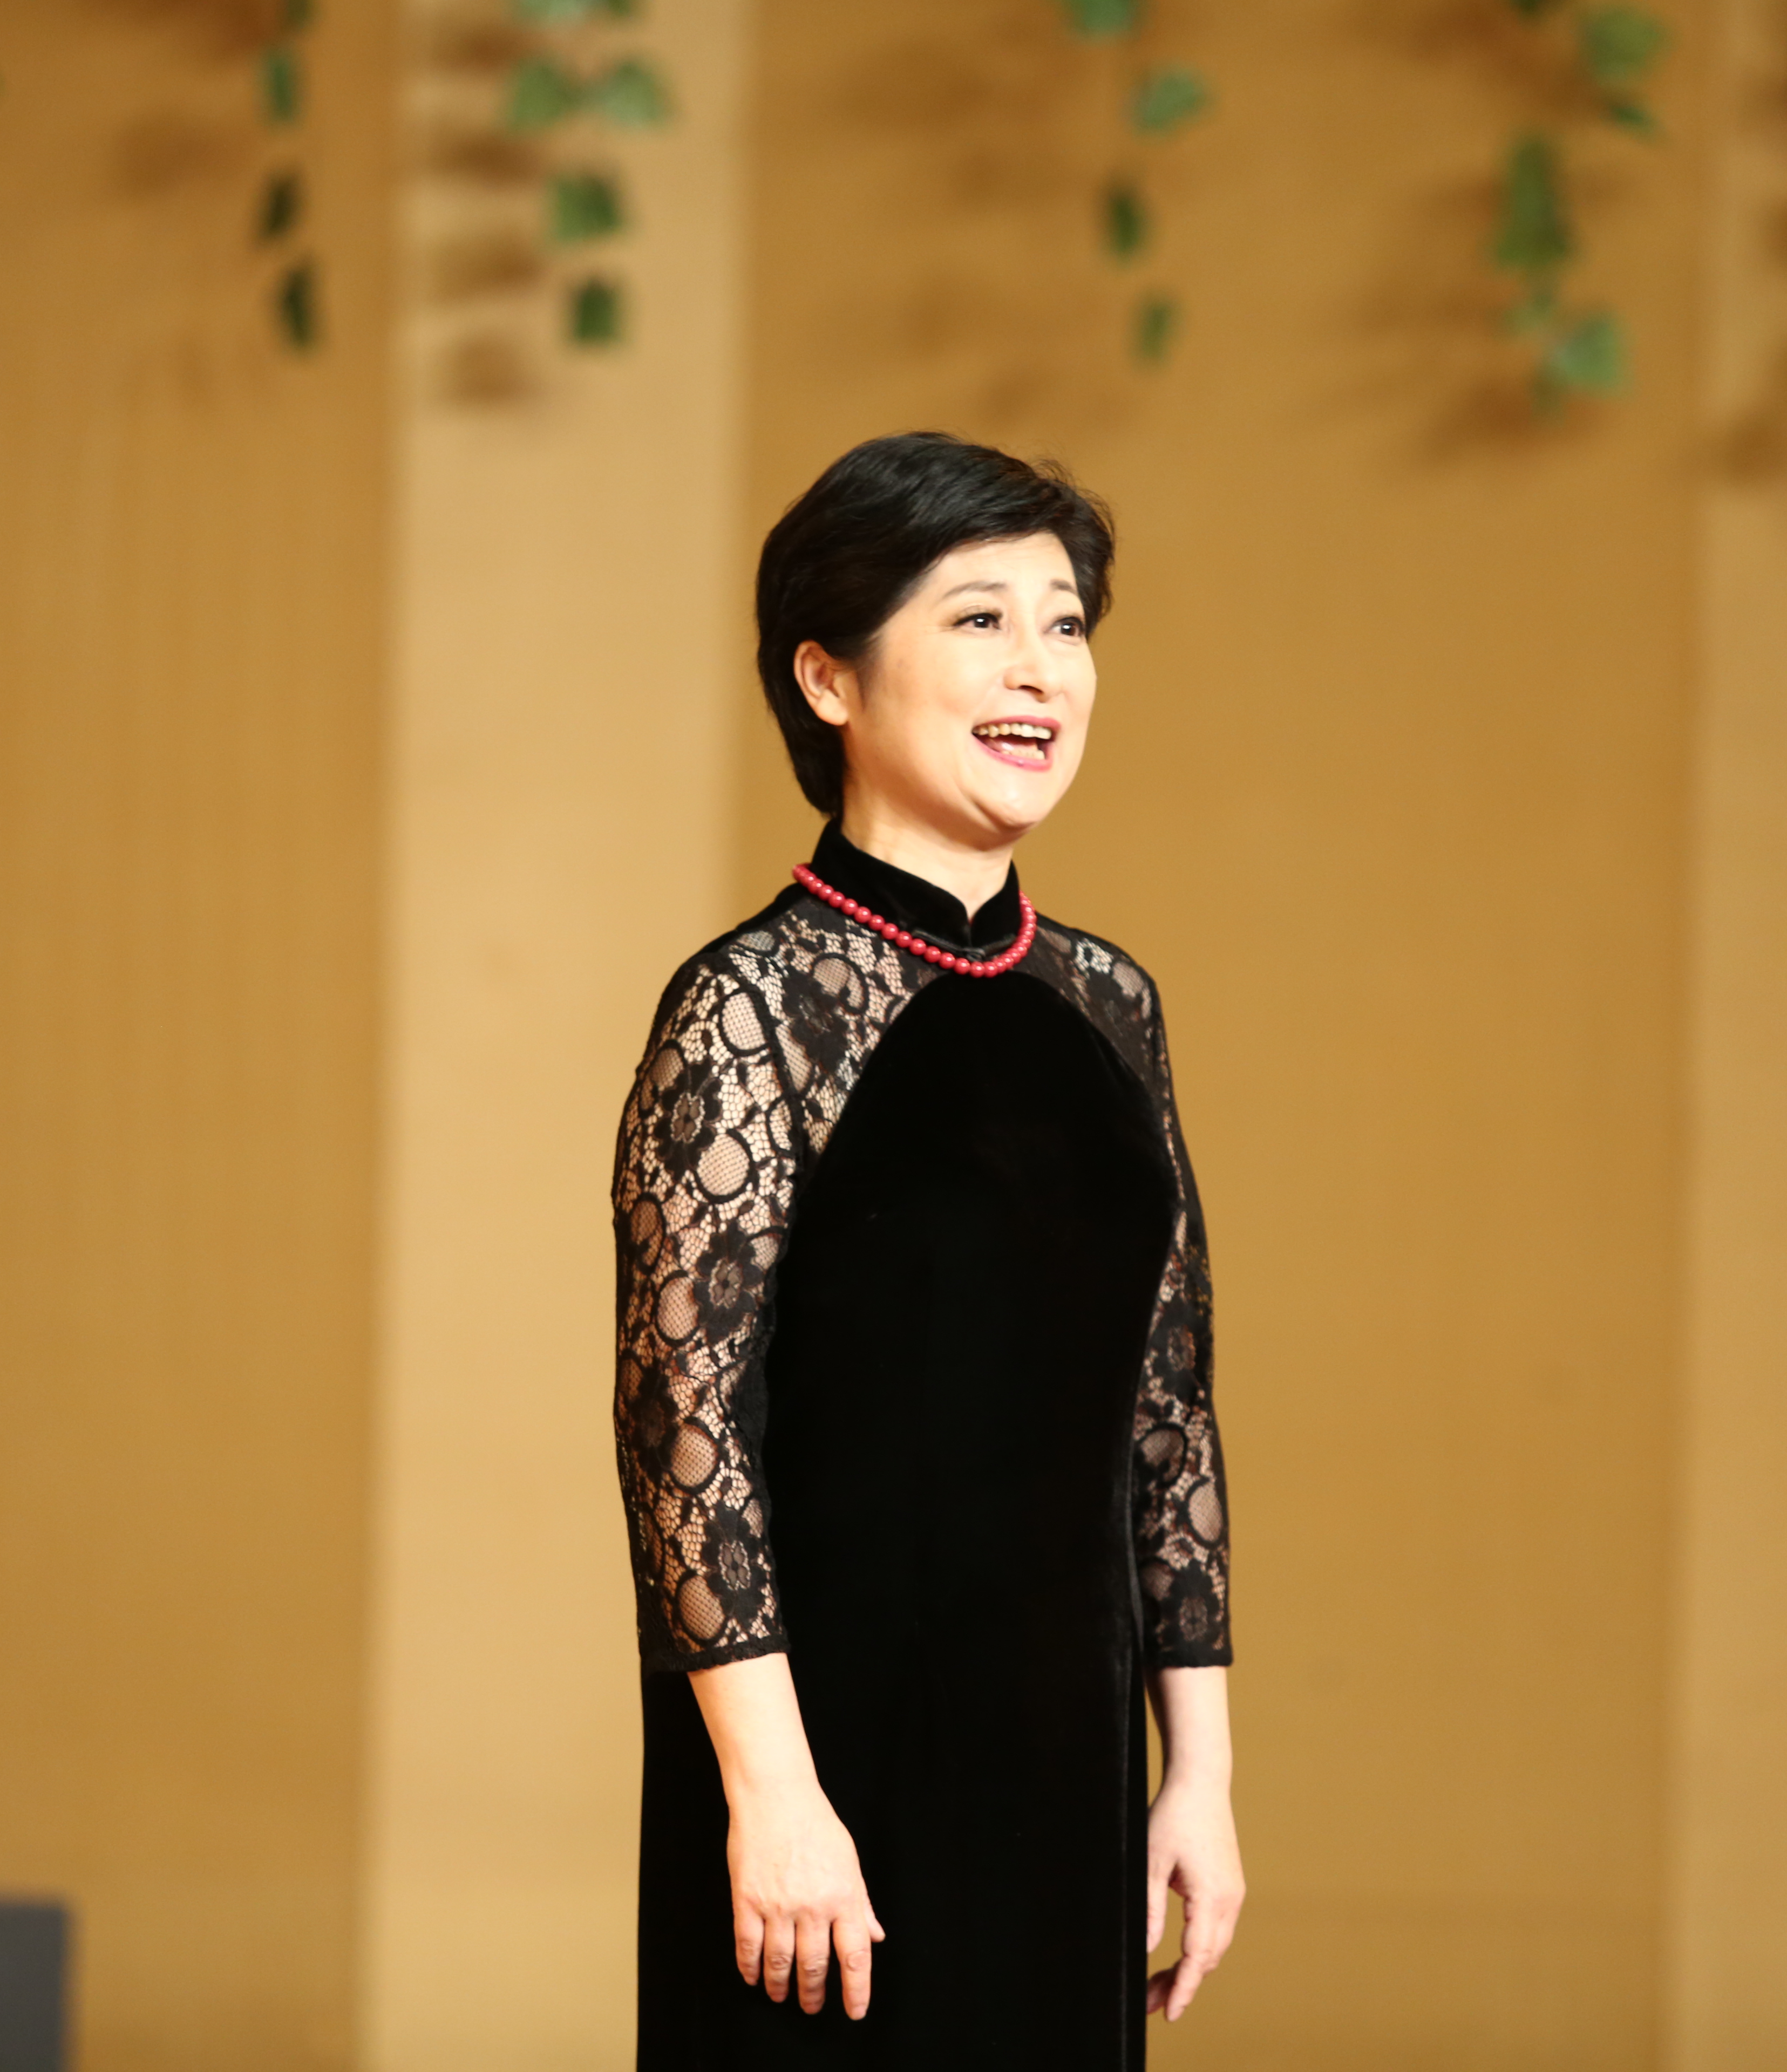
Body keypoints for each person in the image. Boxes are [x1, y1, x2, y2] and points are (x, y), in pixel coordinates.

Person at [611, 432, 1243, 2069]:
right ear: (828, 676)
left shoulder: (1113, 1003)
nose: (1041, 668)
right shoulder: (746, 1009)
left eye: (1065, 623)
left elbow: (1166, 1411)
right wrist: (773, 1795)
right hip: (822, 1781)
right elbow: (686, 1434)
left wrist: (1201, 1771)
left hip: (1071, 1770)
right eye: (980, 620)